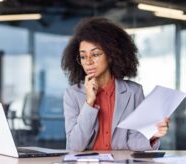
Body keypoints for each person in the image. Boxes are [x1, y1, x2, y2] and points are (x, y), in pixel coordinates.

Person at [61, 17, 170, 151]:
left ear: (111, 55)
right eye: (83, 56)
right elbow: (75, 146)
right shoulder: (72, 95)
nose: (88, 61)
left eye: (95, 54)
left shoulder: (133, 92)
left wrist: (153, 135)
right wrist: (89, 102)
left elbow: (132, 140)